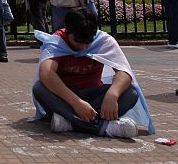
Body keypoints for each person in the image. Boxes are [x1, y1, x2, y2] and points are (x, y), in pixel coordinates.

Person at [32, 8, 154, 138]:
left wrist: (112, 94)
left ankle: (71, 123)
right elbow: (46, 73)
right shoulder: (57, 42)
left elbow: (124, 72)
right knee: (40, 88)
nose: (83, 48)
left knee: (131, 92)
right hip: (66, 97)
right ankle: (103, 127)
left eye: (88, 42)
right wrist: (76, 103)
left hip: (94, 97)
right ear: (67, 31)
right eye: (78, 41)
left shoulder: (103, 41)